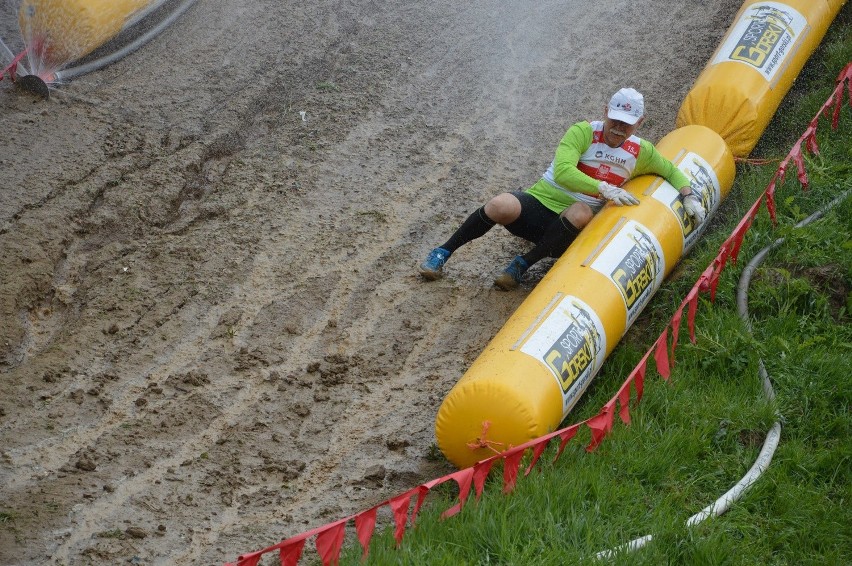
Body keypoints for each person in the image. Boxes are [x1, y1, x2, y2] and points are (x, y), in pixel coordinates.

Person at [418, 87, 706, 290]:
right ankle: (442, 253)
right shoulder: (582, 131)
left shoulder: (640, 151)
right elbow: (564, 172)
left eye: (627, 124)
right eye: (615, 120)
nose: (619, 128)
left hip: (570, 227)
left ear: (640, 123)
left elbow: (670, 170)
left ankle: (521, 265)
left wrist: (688, 195)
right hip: (541, 203)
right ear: (605, 111)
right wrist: (604, 188)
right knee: (499, 205)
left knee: (581, 210)